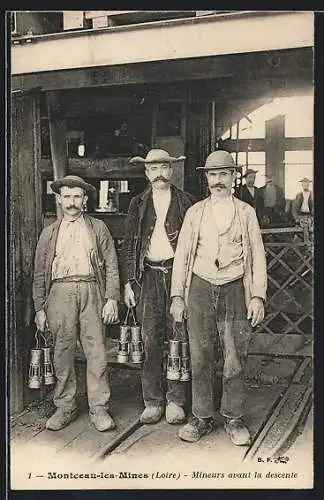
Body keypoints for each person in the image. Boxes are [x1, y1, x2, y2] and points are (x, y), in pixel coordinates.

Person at [170, 150, 267, 445]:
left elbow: (259, 256)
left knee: (234, 358)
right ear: (206, 179)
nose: (218, 180)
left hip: (235, 288)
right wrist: (177, 296)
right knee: (199, 357)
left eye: (224, 174)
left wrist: (258, 297)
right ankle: (201, 417)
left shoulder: (246, 213)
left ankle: (234, 418)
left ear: (234, 177)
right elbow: (182, 256)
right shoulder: (196, 212)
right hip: (199, 287)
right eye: (213, 175)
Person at [32, 175, 120, 432]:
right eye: (67, 197)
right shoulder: (49, 233)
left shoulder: (98, 228)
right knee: (62, 351)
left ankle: (99, 408)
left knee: (97, 351)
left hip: (92, 289)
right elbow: (39, 273)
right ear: (59, 200)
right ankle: (65, 406)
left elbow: (112, 264)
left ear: (85, 200)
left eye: (77, 197)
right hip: (59, 292)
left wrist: (111, 298)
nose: (71, 202)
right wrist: (39, 307)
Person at [121, 148, 195, 425]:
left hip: (178, 276)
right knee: (150, 340)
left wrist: (187, 285)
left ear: (172, 171)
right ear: (146, 173)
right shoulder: (137, 203)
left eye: (164, 167)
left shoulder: (187, 202)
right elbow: (129, 245)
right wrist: (129, 282)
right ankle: (152, 400)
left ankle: (176, 400)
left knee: (179, 336)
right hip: (148, 276)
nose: (160, 173)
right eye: (153, 169)